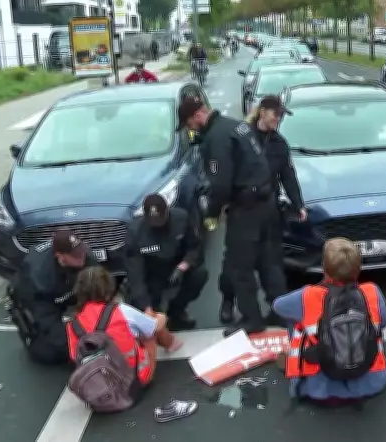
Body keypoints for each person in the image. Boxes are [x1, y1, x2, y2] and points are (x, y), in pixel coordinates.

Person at [176, 95, 283, 333]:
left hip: (246, 209)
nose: (190, 129)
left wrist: (212, 213)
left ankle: (251, 319)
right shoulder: (237, 126)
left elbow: (220, 184)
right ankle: (281, 312)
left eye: (189, 124)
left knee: (239, 267)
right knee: (268, 262)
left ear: (197, 115)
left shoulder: (216, 138)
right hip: (267, 203)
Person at [273, 238, 386, 404]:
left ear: (324, 268)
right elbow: (383, 323)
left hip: (321, 391)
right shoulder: (372, 292)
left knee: (298, 321)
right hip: (373, 383)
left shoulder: (307, 296)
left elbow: (277, 306)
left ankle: (299, 371)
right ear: (358, 268)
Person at [67, 266, 180, 391]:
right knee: (149, 331)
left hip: (98, 387)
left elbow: (74, 356)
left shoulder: (73, 323)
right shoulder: (121, 310)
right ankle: (171, 343)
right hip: (132, 382)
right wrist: (162, 317)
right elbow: (154, 327)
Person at [245, 96, 307, 303]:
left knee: (272, 259)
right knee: (241, 261)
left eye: (281, 116)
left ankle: (276, 303)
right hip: (243, 209)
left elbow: (288, 176)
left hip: (269, 207)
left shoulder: (279, 144)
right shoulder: (243, 137)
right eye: (275, 114)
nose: (278, 119)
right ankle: (230, 301)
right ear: (262, 112)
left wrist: (298, 204)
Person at [6, 230, 99, 365]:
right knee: (51, 352)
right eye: (75, 256)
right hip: (39, 299)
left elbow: (100, 293)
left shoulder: (86, 256)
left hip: (66, 288)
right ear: (60, 256)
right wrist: (80, 349)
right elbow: (46, 321)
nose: (81, 257)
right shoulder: (38, 277)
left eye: (81, 252)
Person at [122, 194, 207, 331]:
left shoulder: (182, 219)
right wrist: (147, 307)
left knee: (199, 275)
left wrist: (183, 265)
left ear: (167, 211)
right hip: (151, 274)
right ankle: (153, 311)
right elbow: (135, 275)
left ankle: (177, 311)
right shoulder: (135, 233)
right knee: (148, 313)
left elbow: (195, 247)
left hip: (176, 267)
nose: (158, 225)